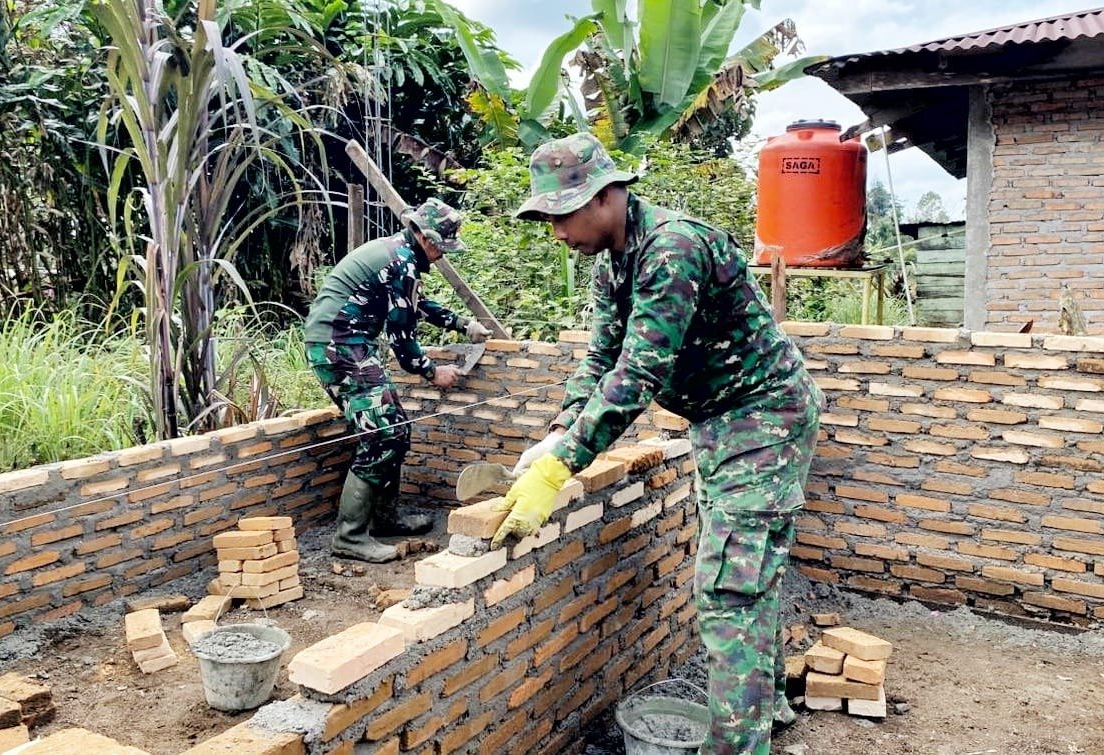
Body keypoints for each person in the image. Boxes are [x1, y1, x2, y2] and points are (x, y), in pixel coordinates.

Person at [490, 133, 823, 754]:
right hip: (719, 422)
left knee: (729, 591)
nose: (557, 231)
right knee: (746, 572)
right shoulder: (611, 264)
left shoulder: (672, 248)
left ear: (607, 196)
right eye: (549, 218)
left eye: (564, 214)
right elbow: (601, 358)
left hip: (763, 418)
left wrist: (562, 468)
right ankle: (767, 703)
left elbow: (640, 370)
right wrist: (561, 431)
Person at [305, 197, 491, 563]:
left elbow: (416, 303)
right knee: (383, 434)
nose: (442, 254)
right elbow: (403, 341)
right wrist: (432, 371)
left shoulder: (398, 254)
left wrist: (463, 324)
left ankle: (385, 518)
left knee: (396, 430)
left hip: (347, 343)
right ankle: (350, 537)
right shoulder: (401, 261)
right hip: (337, 345)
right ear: (425, 237)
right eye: (441, 246)